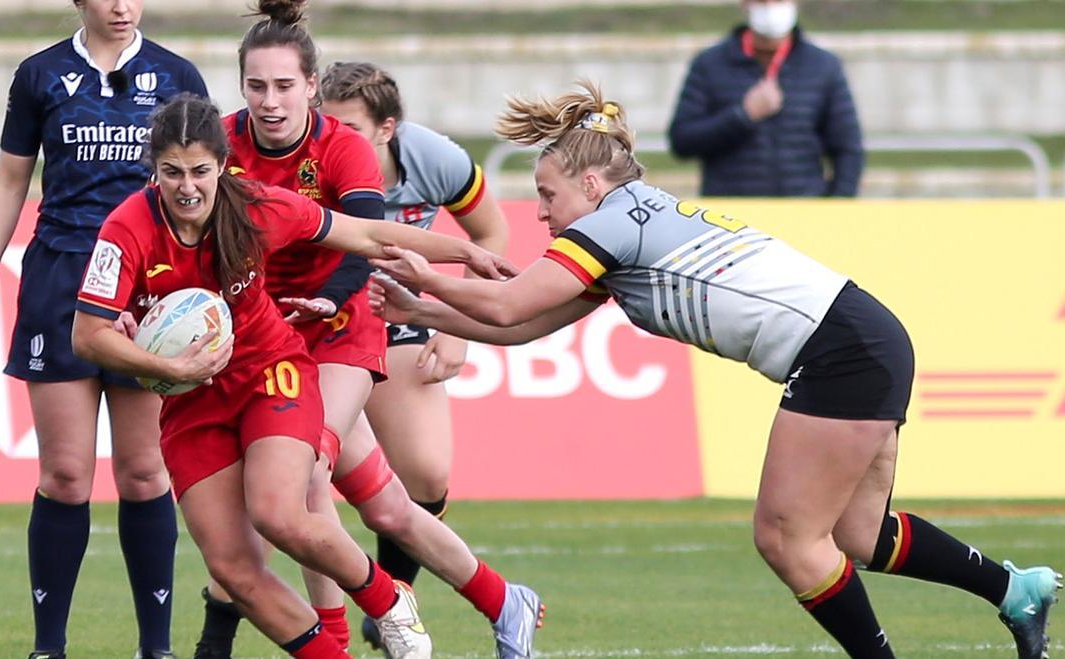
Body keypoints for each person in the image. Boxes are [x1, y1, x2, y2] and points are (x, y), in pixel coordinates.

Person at [367, 80, 1063, 659]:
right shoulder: (628, 227)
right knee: (855, 535)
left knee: (787, 537)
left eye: (547, 195)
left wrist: (429, 273)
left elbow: (510, 298)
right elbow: (519, 327)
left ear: (588, 181)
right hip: (862, 334)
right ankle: (1014, 589)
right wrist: (419, 308)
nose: (542, 212)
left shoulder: (611, 224)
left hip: (841, 349)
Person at [71, 94, 517, 658]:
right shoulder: (126, 228)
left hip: (269, 371)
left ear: (222, 166)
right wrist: (168, 367)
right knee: (234, 570)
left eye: (201, 171)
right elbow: (88, 335)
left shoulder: (256, 206)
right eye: (172, 172)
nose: (188, 187)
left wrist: (464, 251)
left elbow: (368, 236)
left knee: (280, 512)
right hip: (191, 398)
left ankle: (388, 601)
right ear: (152, 169)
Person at [192, 0, 542, 659]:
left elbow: (369, 239)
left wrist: (331, 298)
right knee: (385, 506)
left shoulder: (343, 147)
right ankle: (506, 599)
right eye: (255, 86)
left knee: (304, 475)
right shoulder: (222, 145)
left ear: (311, 87)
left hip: (342, 328)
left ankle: (340, 638)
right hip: (265, 335)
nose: (269, 100)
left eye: (283, 86)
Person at [0, 0, 207, 657]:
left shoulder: (178, 76)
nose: (122, 3)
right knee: (65, 474)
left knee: (144, 473)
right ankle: (49, 647)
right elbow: (12, 177)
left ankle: (155, 647)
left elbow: (206, 185)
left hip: (148, 290)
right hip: (60, 282)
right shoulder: (40, 74)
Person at [319, 59, 511, 649]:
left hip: (393, 310)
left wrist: (458, 330)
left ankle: (392, 595)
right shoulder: (308, 157)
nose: (332, 138)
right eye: (326, 124)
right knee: (301, 482)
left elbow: (492, 236)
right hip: (319, 314)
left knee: (426, 473)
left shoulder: (437, 159)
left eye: (349, 127)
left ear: (388, 129)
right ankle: (302, 628)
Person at [667, 0, 864, 197]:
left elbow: (848, 149)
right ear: (745, 5)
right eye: (762, 0)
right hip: (732, 215)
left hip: (803, 211)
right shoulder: (710, 64)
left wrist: (838, 205)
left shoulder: (823, 66)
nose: (770, 7)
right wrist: (742, 116)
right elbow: (682, 140)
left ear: (795, 4)